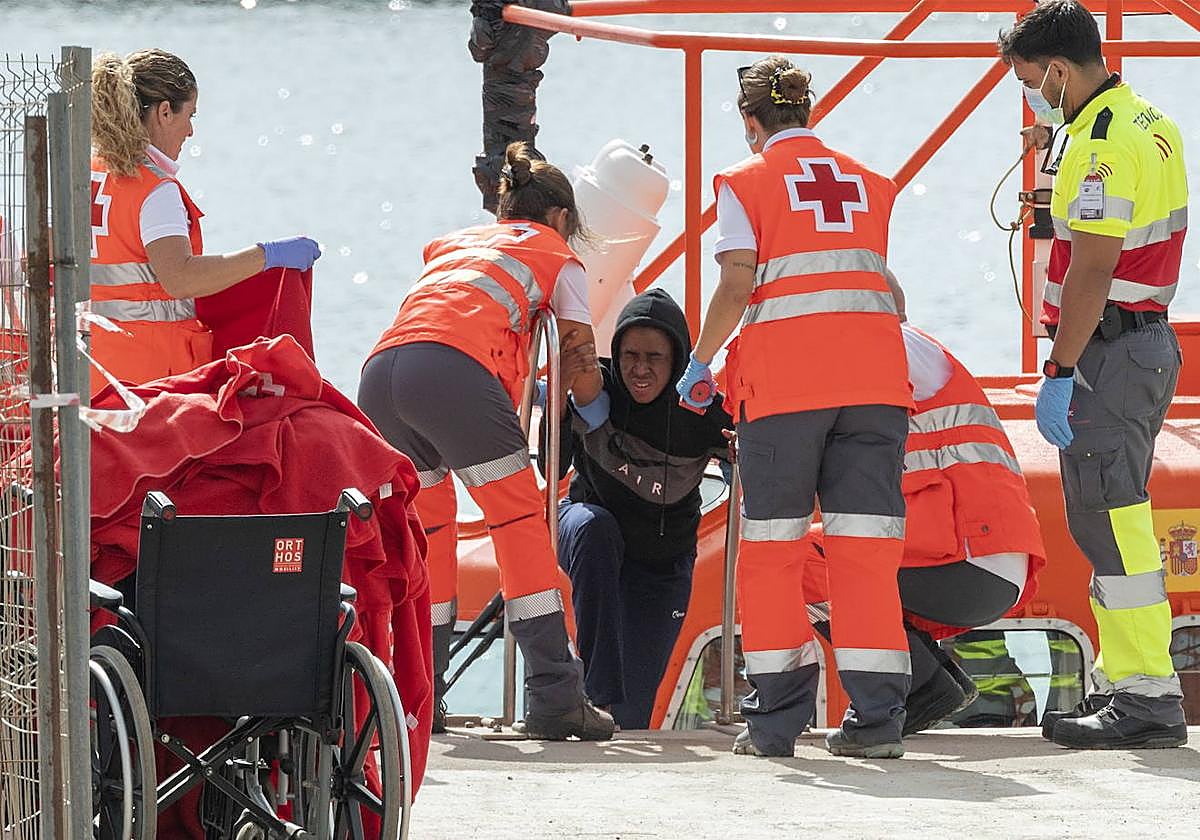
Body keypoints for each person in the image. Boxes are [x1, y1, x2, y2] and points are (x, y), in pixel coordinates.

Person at [677, 56, 914, 759]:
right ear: (807, 113)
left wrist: (700, 360)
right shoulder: (869, 183)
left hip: (785, 393)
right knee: (866, 555)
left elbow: (738, 281)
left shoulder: (745, 183)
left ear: (751, 122)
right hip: (875, 389)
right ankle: (877, 723)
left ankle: (776, 725)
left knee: (774, 555)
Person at [357, 142, 614, 741]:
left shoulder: (452, 245)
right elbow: (577, 354)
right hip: (452, 377)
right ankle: (555, 696)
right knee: (518, 523)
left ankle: (417, 700)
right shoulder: (554, 255)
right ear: (559, 219)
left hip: (382, 376)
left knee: (430, 535)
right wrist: (598, 409)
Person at [1000, 1, 1188, 749]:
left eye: (1028, 79)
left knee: (1110, 518)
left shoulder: (1100, 144)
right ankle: (1128, 677)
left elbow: (1094, 265)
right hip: (1145, 342)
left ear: (1057, 69)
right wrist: (1057, 144)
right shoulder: (1145, 120)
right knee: (1118, 514)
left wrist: (1059, 366)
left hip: (1107, 351)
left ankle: (1146, 694)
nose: (1028, 93)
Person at [800, 324, 1048, 735]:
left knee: (797, 556)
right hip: (987, 559)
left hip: (966, 559)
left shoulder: (889, 341)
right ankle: (938, 677)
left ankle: (921, 684)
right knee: (847, 560)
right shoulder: (909, 360)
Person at [547, 288, 732, 730]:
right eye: (630, 354)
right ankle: (595, 691)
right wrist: (561, 394)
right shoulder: (601, 385)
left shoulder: (700, 411)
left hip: (661, 562)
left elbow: (757, 472)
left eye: (655, 356)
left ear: (678, 360)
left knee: (632, 716)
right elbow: (551, 467)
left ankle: (612, 724)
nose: (640, 369)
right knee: (597, 529)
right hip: (585, 528)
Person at [89, 50, 320, 394]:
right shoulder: (154, 190)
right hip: (148, 381)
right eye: (190, 115)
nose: (191, 131)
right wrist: (265, 255)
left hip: (93, 368)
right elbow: (180, 277)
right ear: (165, 112)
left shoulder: (91, 174)